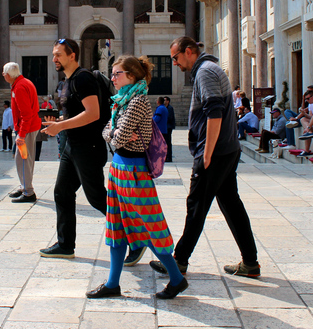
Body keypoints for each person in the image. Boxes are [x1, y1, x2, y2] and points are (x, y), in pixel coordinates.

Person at [152, 37, 259, 278]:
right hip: (227, 149)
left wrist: (206, 154)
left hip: (215, 152)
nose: (175, 63)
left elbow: (214, 112)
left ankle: (179, 261)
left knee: (197, 205)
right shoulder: (209, 69)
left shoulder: (205, 72)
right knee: (231, 206)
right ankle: (250, 263)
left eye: (176, 58)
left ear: (189, 52)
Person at [87, 55, 188, 300]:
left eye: (117, 73)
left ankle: (176, 278)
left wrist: (114, 133)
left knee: (149, 227)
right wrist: (114, 133)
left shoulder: (138, 102)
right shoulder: (120, 101)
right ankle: (113, 283)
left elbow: (116, 137)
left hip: (134, 173)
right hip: (118, 170)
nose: (112, 78)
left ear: (131, 75)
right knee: (116, 227)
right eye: (112, 73)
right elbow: (107, 130)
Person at [40, 38, 108, 258]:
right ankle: (65, 244)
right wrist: (58, 121)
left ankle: (135, 238)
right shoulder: (68, 81)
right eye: (53, 54)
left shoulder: (83, 78)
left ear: (72, 56)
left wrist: (60, 126)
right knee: (62, 192)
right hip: (72, 146)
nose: (54, 59)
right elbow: (76, 112)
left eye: (59, 54)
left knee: (98, 198)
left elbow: (93, 113)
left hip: (88, 146)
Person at [3, 62, 42, 204]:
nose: (3, 75)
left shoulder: (19, 87)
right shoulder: (23, 82)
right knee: (22, 159)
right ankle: (24, 186)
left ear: (8, 75)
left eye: (3, 73)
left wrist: (21, 134)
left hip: (27, 128)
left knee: (23, 159)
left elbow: (26, 114)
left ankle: (28, 192)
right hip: (29, 127)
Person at [297, 91, 313, 157]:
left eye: (308, 98)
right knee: (302, 119)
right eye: (306, 99)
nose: (307, 100)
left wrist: (308, 127)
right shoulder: (310, 104)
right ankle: (309, 133)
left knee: (306, 131)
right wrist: (304, 114)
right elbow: (310, 117)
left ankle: (309, 132)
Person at [164, 96, 176, 162]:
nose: (164, 101)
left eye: (165, 100)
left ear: (168, 101)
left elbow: (170, 117)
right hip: (166, 127)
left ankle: (169, 157)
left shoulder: (170, 108)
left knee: (168, 142)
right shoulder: (165, 108)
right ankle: (166, 156)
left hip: (168, 127)